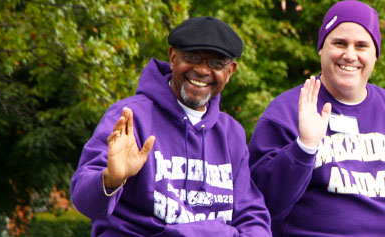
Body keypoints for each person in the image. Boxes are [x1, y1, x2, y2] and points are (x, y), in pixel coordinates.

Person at [248, 1, 385, 236]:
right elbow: (262, 205)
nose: (350, 55)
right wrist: (303, 148)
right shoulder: (287, 110)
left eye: (362, 46)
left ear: (375, 54)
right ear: (321, 48)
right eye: (339, 43)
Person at [71, 16, 271, 236]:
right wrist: (111, 180)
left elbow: (252, 214)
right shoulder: (130, 117)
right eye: (192, 57)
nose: (202, 70)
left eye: (215, 63)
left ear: (230, 71)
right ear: (173, 58)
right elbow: (84, 201)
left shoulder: (231, 133)